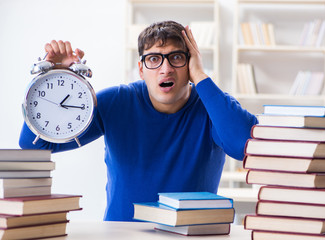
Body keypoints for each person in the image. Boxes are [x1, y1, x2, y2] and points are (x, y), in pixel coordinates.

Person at [19, 21, 258, 221]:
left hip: (189, 235)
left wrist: (201, 76)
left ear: (191, 64)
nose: (166, 69)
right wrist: (54, 76)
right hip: (120, 234)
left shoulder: (213, 106)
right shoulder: (116, 102)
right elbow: (35, 146)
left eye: (176, 58)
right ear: (141, 69)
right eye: (154, 59)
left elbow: (246, 147)